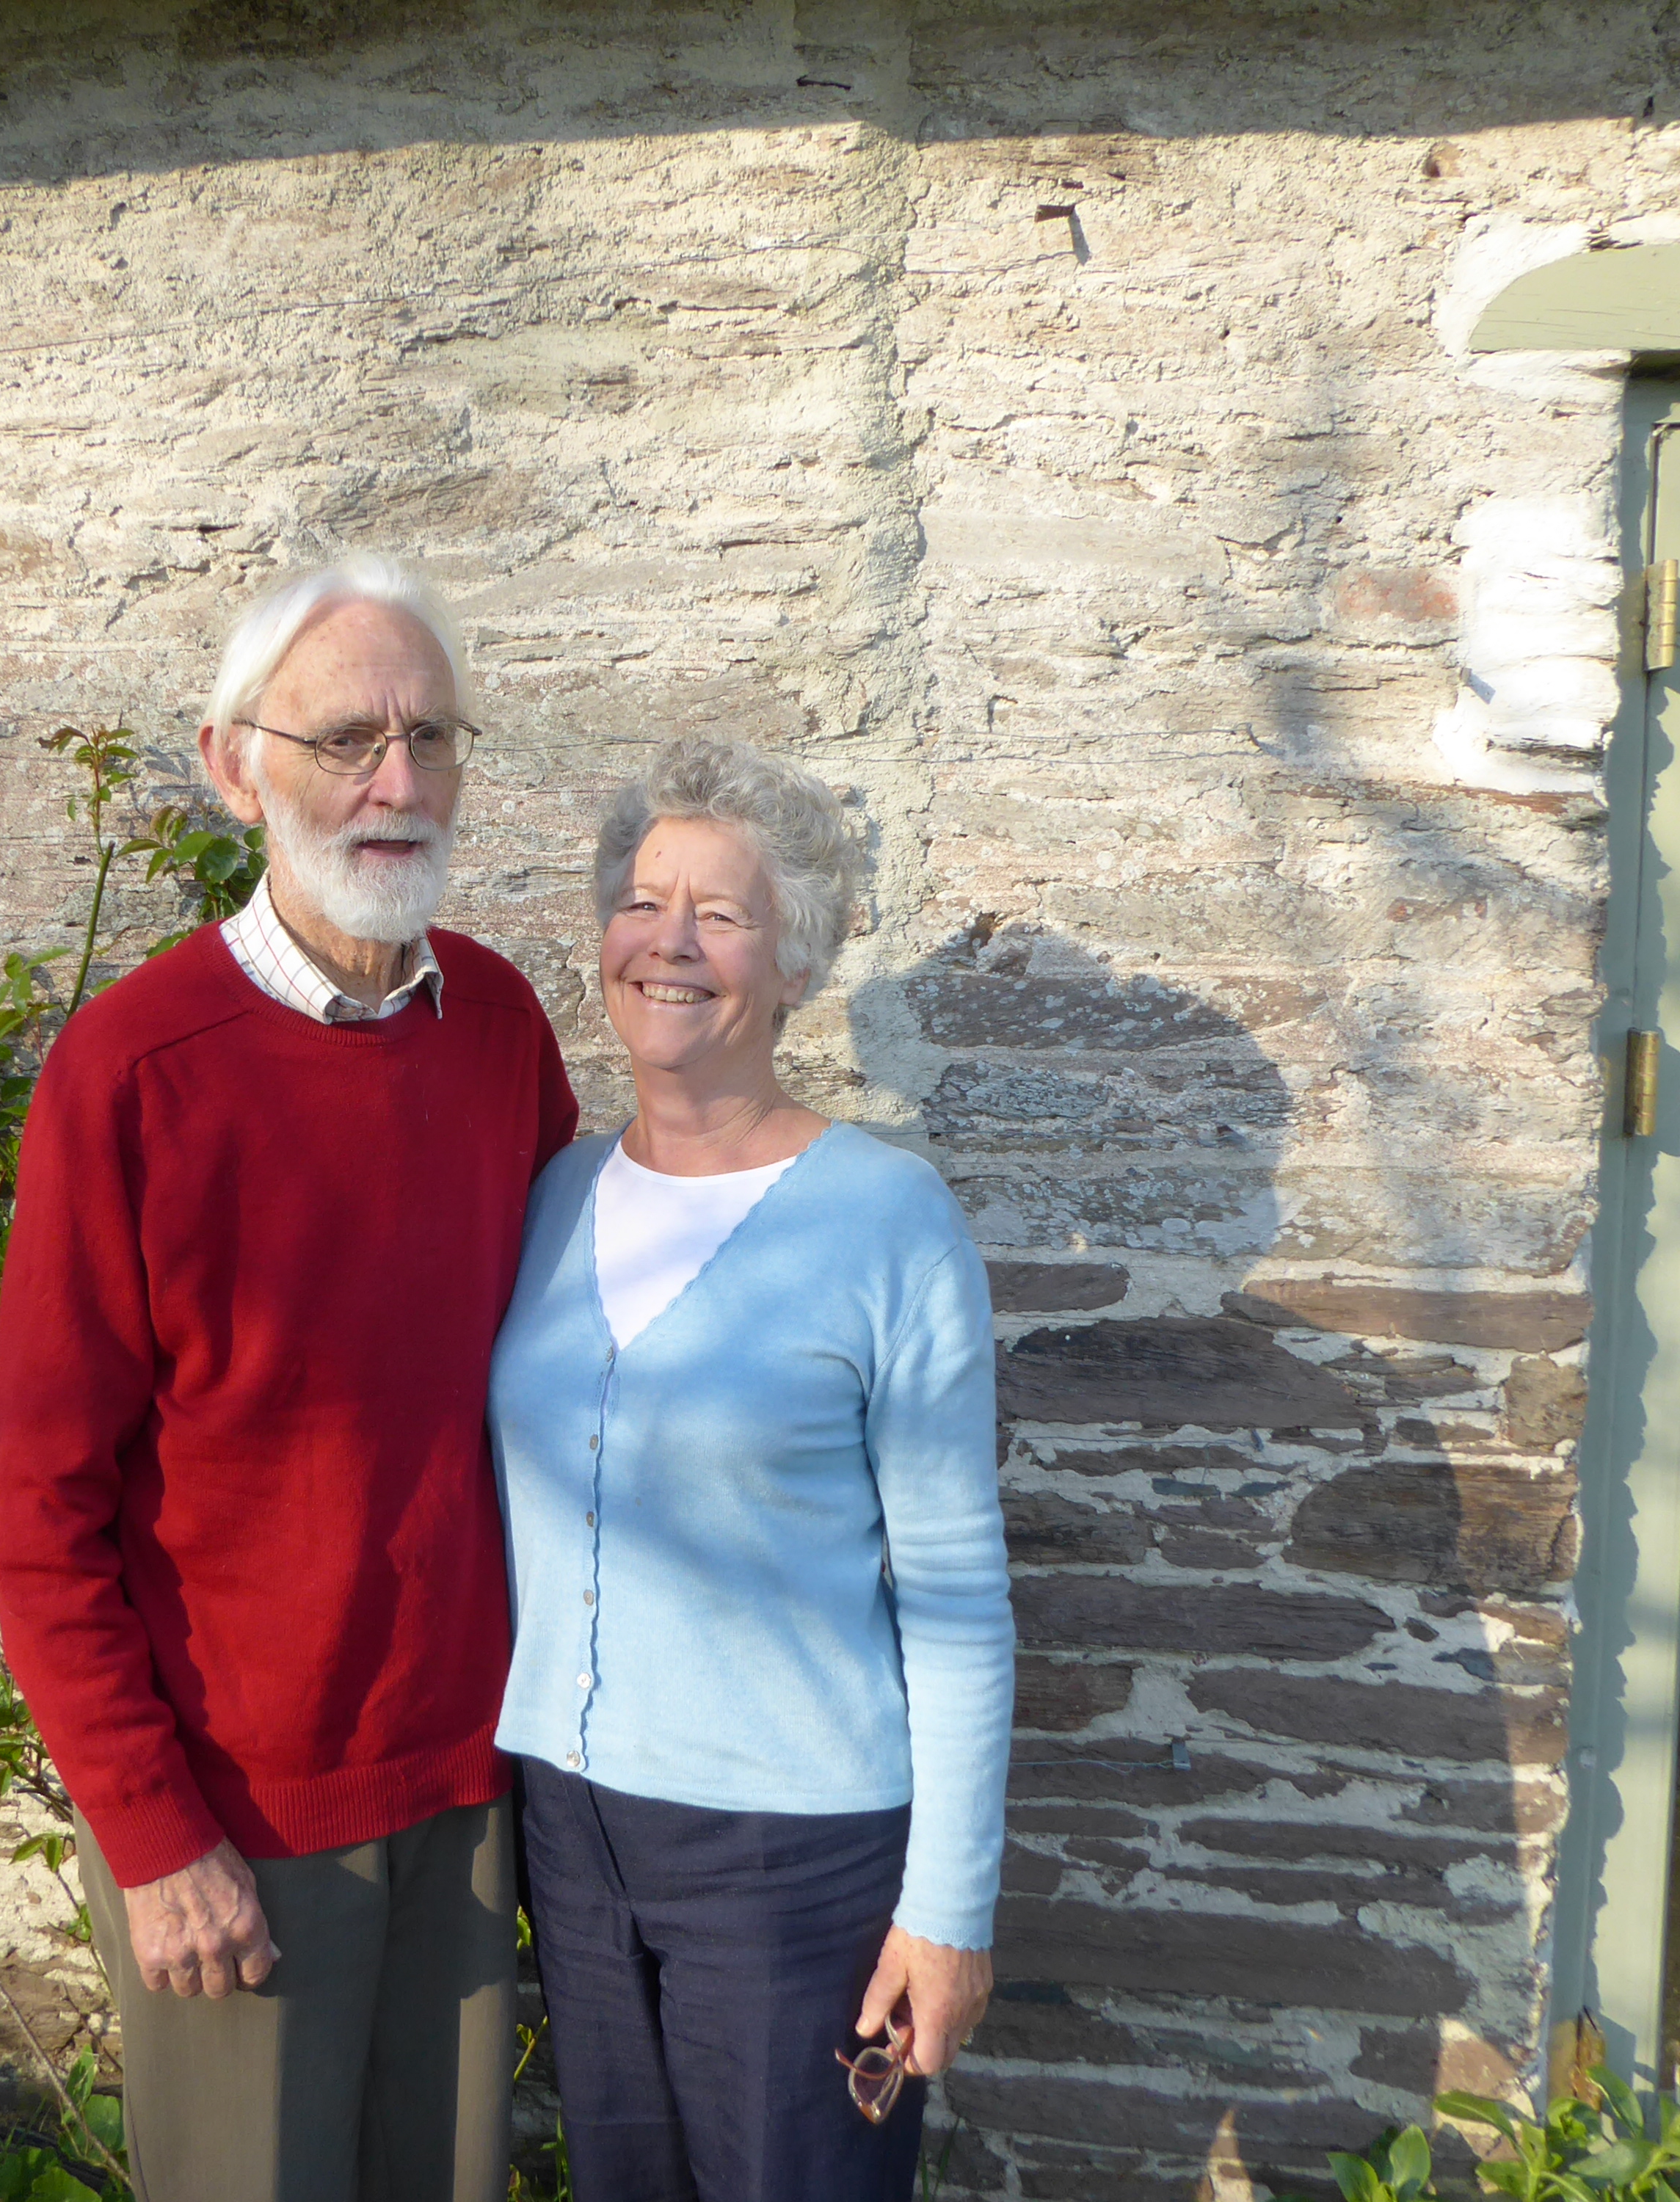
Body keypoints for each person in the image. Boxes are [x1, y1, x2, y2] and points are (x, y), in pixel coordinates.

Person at [0, 555, 581, 2202]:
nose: (397, 782)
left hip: (467, 1780)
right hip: (237, 1813)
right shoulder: (132, 1073)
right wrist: (152, 1832)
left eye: (429, 736)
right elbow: (40, 1501)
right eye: (344, 740)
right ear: (232, 765)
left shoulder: (499, 1029)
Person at [489, 735, 1017, 2202]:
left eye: (719, 915)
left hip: (792, 1859)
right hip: (571, 1834)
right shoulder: (553, 1195)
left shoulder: (887, 1223)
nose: (668, 943)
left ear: (794, 963)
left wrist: (948, 1910)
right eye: (641, 903)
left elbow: (957, 1596)